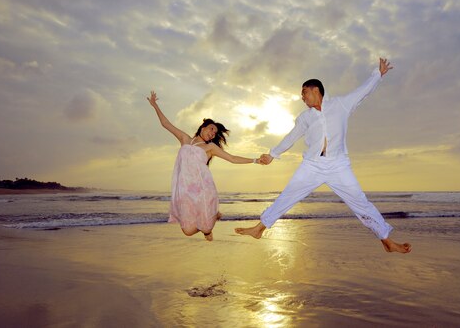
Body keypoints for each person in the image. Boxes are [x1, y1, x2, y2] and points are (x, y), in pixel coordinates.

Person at [235, 58, 411, 253]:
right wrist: (272, 155)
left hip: (338, 165)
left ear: (315, 90)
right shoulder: (305, 117)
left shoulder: (341, 105)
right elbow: (291, 136)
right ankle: (259, 229)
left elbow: (362, 92)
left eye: (304, 93)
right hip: (312, 165)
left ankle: (386, 240)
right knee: (288, 196)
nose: (302, 97)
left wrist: (377, 74)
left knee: (360, 202)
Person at [148, 91, 262, 241]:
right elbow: (166, 124)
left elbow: (232, 158)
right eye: (211, 129)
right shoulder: (185, 139)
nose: (213, 134)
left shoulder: (210, 148)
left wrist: (255, 160)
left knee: (207, 227)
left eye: (215, 133)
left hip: (203, 189)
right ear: (203, 127)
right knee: (188, 231)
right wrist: (155, 105)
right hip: (185, 190)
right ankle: (213, 217)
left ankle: (209, 226)